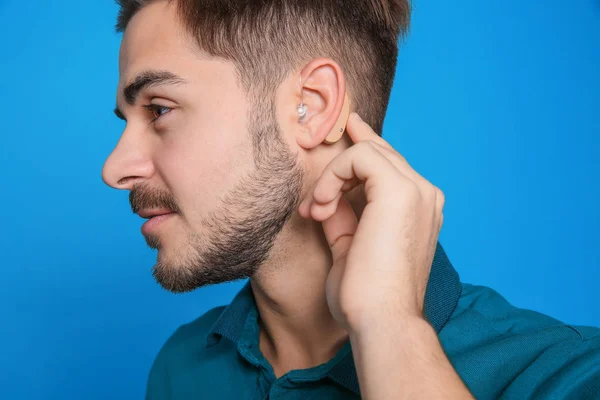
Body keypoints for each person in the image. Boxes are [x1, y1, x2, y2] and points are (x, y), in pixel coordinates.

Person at [102, 0, 600, 399]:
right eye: (127, 121)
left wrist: (389, 324)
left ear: (310, 107)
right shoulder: (183, 366)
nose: (114, 169)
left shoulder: (565, 374)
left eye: (160, 110)